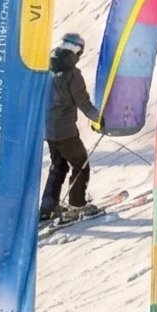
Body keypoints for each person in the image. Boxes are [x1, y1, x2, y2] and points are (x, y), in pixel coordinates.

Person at [40, 29, 94, 215]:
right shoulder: (72, 73)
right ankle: (77, 206)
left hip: (48, 129)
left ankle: (47, 207)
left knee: (59, 165)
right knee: (81, 164)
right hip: (65, 131)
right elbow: (84, 103)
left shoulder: (47, 67)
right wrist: (101, 119)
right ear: (76, 50)